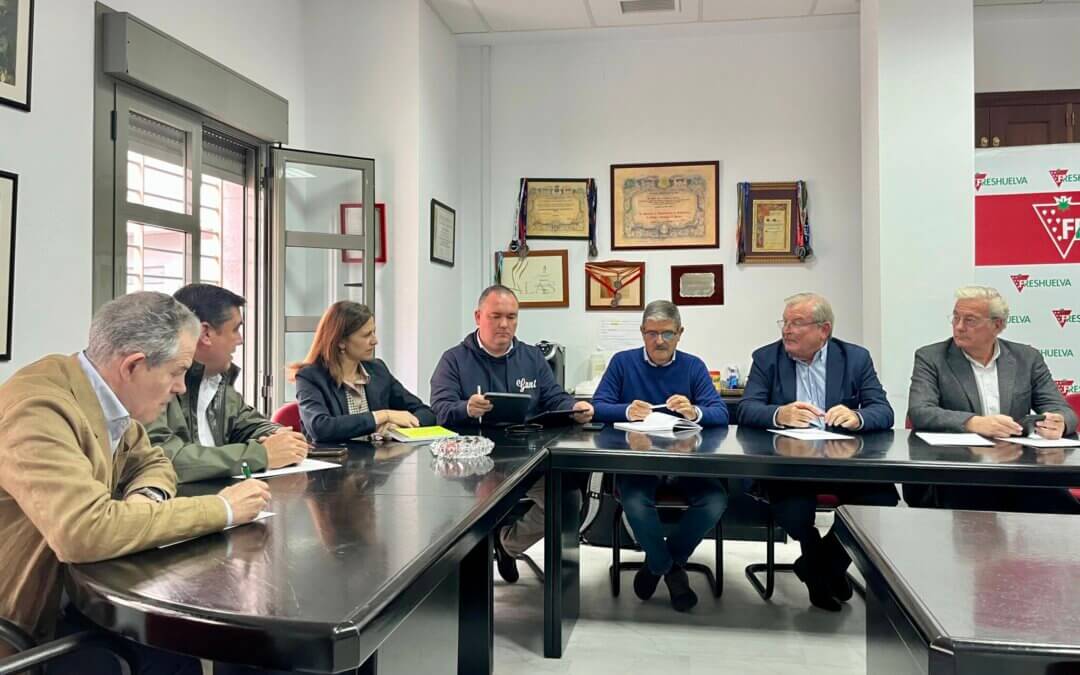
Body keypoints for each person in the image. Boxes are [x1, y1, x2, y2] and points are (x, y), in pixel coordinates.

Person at [0, 292, 270, 673]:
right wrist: (224, 509)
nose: (180, 387)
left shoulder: (104, 397)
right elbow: (83, 530)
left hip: (82, 592)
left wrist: (146, 496)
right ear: (133, 366)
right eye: (177, 372)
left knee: (182, 655)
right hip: (29, 623)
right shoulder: (39, 409)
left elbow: (155, 462)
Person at [738, 292, 897, 611]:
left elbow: (883, 410)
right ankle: (818, 561)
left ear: (824, 330)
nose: (787, 330)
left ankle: (819, 566)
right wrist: (778, 414)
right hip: (789, 465)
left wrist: (858, 417)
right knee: (794, 512)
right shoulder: (767, 358)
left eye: (797, 323)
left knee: (883, 502)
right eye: (785, 322)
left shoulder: (855, 358)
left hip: (845, 464)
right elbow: (745, 409)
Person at [429, 284, 594, 582]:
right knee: (467, 515)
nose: (504, 324)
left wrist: (574, 406)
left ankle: (508, 543)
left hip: (526, 458)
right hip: (471, 462)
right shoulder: (454, 359)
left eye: (511, 317)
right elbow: (439, 408)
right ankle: (464, 592)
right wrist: (466, 408)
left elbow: (554, 398)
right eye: (495, 316)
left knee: (567, 505)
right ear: (478, 316)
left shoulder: (531, 358)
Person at [591, 300, 728, 612]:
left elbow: (720, 412)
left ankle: (658, 567)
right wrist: (625, 409)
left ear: (680, 334)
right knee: (636, 503)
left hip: (686, 463)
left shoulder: (693, 366)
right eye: (652, 333)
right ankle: (673, 574)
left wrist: (695, 411)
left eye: (667, 333)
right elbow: (598, 405)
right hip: (638, 463)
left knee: (716, 500)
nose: (659, 341)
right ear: (642, 333)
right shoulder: (622, 363)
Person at [906, 285, 1080, 513]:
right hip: (959, 471)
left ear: (997, 325)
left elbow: (1061, 408)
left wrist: (1059, 421)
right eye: (956, 318)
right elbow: (920, 411)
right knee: (977, 516)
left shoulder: (1026, 358)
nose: (959, 327)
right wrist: (974, 423)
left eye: (970, 320)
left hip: (1018, 469)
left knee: (1064, 511)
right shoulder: (932, 357)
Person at [147, 284, 310, 482]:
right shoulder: (153, 386)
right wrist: (260, 455)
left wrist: (279, 437)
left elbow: (249, 424)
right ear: (205, 333)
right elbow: (166, 460)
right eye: (235, 329)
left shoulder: (216, 381)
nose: (240, 340)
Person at [292, 301, 435, 444]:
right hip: (334, 463)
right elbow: (320, 428)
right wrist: (382, 416)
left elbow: (426, 413)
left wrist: (397, 427)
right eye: (366, 335)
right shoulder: (310, 377)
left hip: (377, 463)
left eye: (374, 332)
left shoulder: (378, 370)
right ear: (341, 341)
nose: (375, 341)